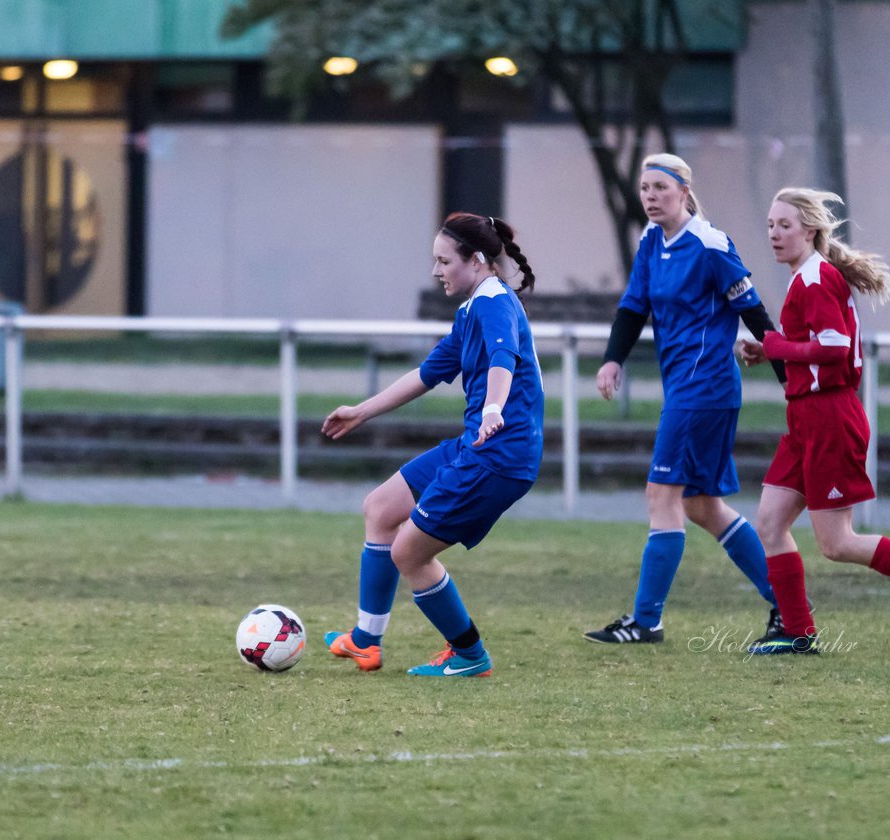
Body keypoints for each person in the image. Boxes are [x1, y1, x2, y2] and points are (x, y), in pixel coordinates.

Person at [739, 187, 890, 655]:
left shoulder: (815, 278)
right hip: (805, 418)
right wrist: (769, 350)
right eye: (770, 225)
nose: (774, 233)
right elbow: (816, 349)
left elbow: (832, 349)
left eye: (784, 225)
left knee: (836, 543)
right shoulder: (804, 277)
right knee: (770, 522)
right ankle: (797, 632)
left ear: (809, 231)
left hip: (830, 417)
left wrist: (774, 346)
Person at [320, 212, 543, 677]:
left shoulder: (493, 302)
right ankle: (366, 641)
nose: (436, 270)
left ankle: (469, 655)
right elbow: (426, 374)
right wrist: (362, 411)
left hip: (499, 454)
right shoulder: (471, 311)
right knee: (381, 507)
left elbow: (505, 356)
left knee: (409, 552)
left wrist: (493, 408)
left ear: (477, 261)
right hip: (475, 445)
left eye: (444, 261)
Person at [583, 153, 787, 646]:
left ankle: (645, 621)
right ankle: (788, 605)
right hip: (686, 389)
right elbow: (634, 308)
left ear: (684, 190)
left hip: (706, 388)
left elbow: (758, 317)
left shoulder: (711, 245)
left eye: (659, 187)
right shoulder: (652, 241)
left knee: (661, 496)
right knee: (701, 507)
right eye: (644, 188)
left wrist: (791, 384)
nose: (650, 197)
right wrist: (613, 360)